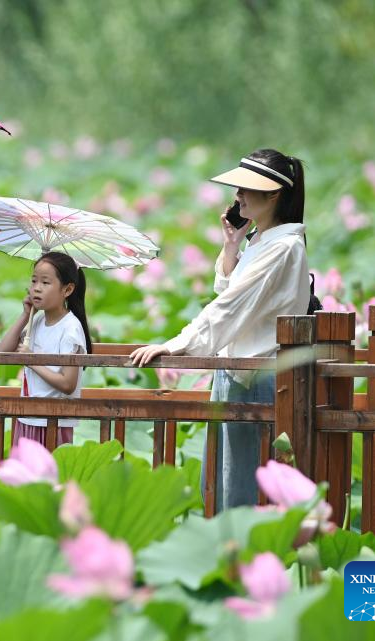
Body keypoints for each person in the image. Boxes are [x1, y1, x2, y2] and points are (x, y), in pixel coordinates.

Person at [129, 148, 308, 511]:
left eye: (245, 189)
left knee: (243, 492)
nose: (237, 197)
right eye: (237, 189)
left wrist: (178, 345)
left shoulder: (285, 246)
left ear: (273, 195)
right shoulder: (261, 241)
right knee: (219, 486)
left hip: (258, 380)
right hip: (235, 374)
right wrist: (232, 245)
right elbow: (228, 293)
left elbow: (231, 307)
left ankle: (249, 563)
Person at [0, 251, 92, 447]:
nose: (36, 289)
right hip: (27, 416)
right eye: (34, 281)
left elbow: (68, 383)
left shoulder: (70, 328)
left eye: (45, 283)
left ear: (67, 290)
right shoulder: (37, 320)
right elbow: (2, 353)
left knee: (47, 476)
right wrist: (25, 316)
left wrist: (32, 361)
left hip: (53, 421)